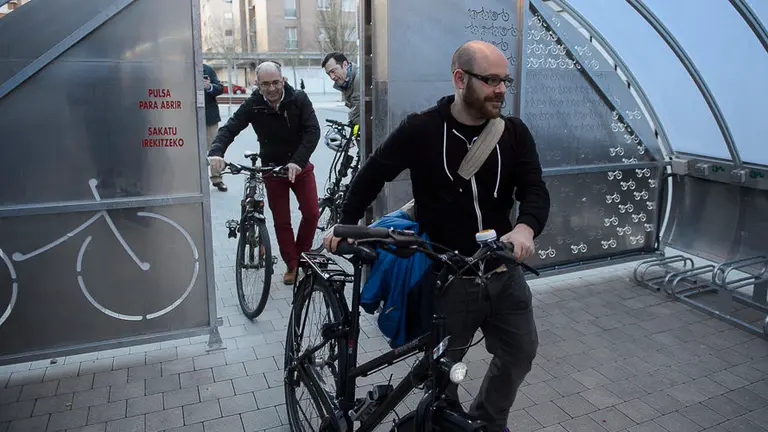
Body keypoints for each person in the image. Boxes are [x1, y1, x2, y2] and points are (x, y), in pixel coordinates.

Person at [324, 41, 550, 432]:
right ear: (461, 79)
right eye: (492, 80)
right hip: (449, 276)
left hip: (503, 272)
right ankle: (446, 423)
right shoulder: (423, 128)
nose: (501, 89)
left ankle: (486, 421)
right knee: (442, 373)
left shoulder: (513, 133)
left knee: (519, 353)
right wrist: (344, 222)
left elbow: (534, 188)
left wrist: (525, 226)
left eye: (505, 81)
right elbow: (374, 172)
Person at [208, 61, 321, 285]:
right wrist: (216, 152)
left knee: (311, 213)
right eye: (265, 84)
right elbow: (229, 128)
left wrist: (297, 161)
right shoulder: (253, 104)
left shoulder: (298, 99)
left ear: (283, 81)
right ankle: (292, 264)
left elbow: (313, 131)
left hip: (299, 166)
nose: (271, 89)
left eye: (276, 82)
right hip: (272, 168)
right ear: (257, 84)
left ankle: (303, 256)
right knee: (282, 220)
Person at [203, 63, 227, 192]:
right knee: (192, 151)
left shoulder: (208, 69)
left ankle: (217, 179)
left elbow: (220, 88)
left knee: (214, 148)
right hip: (189, 117)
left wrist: (209, 86)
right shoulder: (183, 68)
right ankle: (196, 181)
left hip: (209, 118)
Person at [322, 52, 360, 127]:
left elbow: (358, 109)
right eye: (329, 74)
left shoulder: (359, 79)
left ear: (345, 65)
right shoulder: (345, 82)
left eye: (333, 71)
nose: (332, 77)